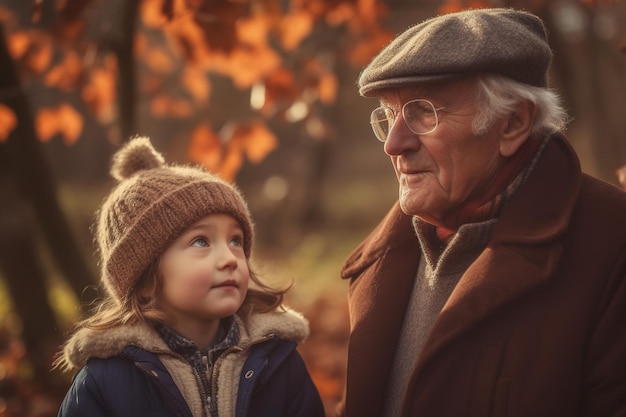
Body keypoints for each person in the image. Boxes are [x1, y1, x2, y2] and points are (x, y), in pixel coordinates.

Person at [338, 8, 626, 417]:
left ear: (513, 123)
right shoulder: (382, 261)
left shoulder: (612, 244)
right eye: (389, 114)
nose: (394, 143)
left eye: (423, 112)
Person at [55, 137, 325, 417]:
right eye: (201, 242)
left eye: (235, 240)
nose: (230, 258)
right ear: (145, 279)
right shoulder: (105, 382)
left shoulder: (278, 362)